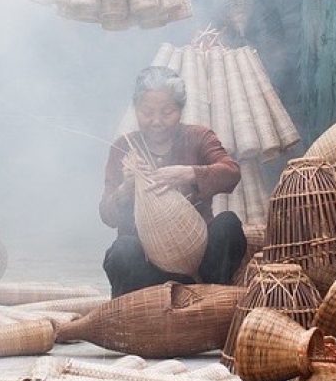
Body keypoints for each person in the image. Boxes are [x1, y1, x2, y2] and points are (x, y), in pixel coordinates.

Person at [100, 66, 247, 297]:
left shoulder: (199, 137)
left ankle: (208, 298)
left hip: (198, 263)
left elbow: (231, 173)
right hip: (146, 267)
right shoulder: (124, 147)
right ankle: (140, 312)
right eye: (147, 112)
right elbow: (107, 215)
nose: (156, 121)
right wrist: (125, 191)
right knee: (122, 252)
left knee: (228, 225)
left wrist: (189, 173)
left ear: (180, 109)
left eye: (167, 112)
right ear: (136, 108)